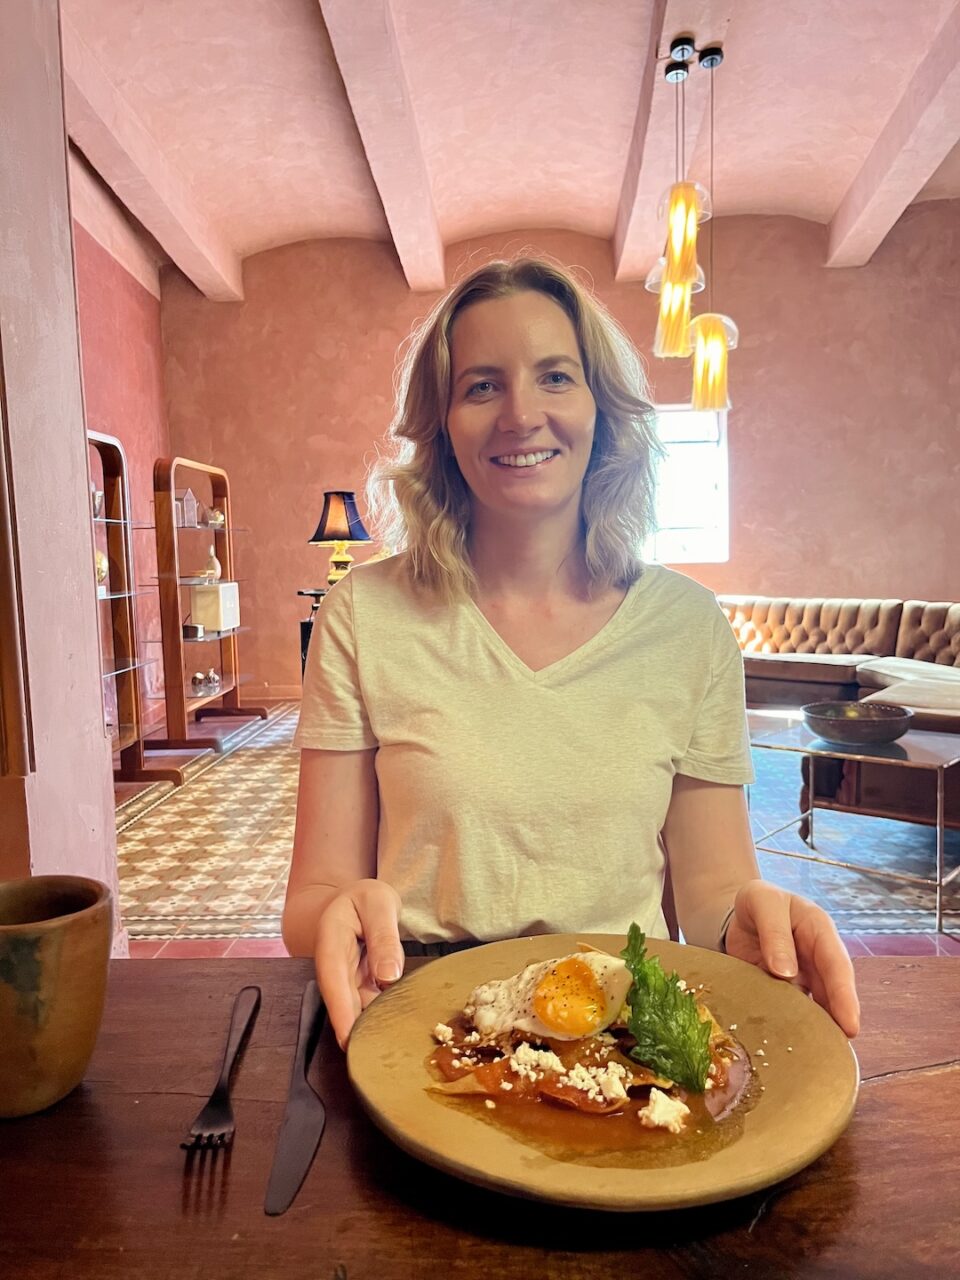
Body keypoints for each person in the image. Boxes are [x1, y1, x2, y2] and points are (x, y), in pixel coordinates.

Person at [282, 255, 860, 1049]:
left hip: (617, 1039)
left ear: (604, 411)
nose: (521, 413)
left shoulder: (688, 628)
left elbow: (712, 893)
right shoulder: (363, 616)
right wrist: (336, 916)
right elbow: (316, 893)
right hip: (419, 1029)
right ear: (441, 426)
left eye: (555, 376)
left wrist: (752, 920)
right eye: (481, 385)